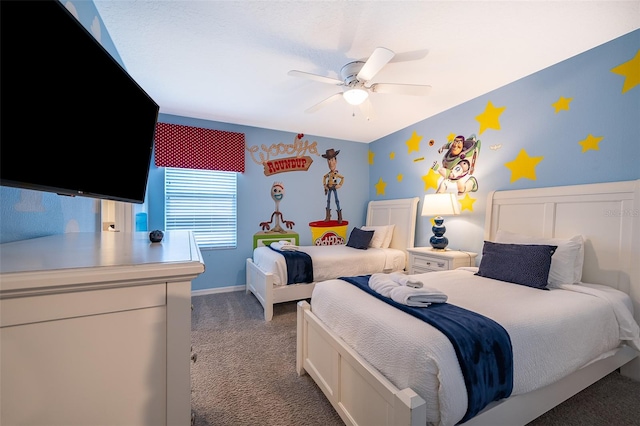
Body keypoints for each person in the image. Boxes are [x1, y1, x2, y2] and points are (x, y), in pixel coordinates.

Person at [322, 148, 344, 223]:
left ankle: (339, 216)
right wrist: (325, 185)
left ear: (335, 161)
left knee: (336, 200)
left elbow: (342, 178)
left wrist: (340, 185)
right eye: (329, 160)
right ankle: (328, 216)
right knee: (328, 200)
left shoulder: (336, 174)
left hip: (334, 186)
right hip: (329, 186)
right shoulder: (328, 174)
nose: (330, 163)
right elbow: (324, 177)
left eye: (332, 160)